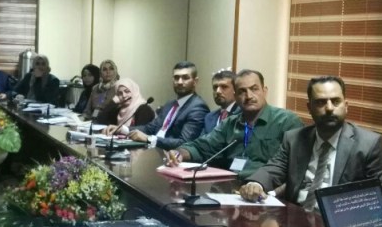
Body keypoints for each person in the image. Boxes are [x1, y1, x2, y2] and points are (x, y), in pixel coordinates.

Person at [238, 76, 382, 209]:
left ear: (346, 106)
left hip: (339, 223)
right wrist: (256, 184)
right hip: (295, 218)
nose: (329, 108)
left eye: (336, 101)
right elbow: (274, 168)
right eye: (321, 102)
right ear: (309, 108)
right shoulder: (294, 138)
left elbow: (376, 202)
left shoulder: (369, 144)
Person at [169, 69, 302, 178]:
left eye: (254, 89)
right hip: (230, 184)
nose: (249, 96)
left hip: (264, 189)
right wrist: (179, 154)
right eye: (242, 91)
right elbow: (201, 147)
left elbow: (295, 170)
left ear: (264, 91)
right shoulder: (230, 123)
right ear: (235, 96)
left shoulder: (286, 121)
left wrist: (270, 191)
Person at [128, 61, 209, 150]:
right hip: (152, 149)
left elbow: (184, 143)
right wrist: (123, 129)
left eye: (185, 78)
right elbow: (150, 128)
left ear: (195, 81)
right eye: (176, 78)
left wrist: (149, 139)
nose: (179, 82)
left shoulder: (198, 107)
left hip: (171, 154)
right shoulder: (170, 104)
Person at [203, 69, 241, 135]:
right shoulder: (209, 117)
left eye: (224, 87)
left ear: (235, 89)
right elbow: (201, 140)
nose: (218, 91)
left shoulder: (243, 114)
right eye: (215, 87)